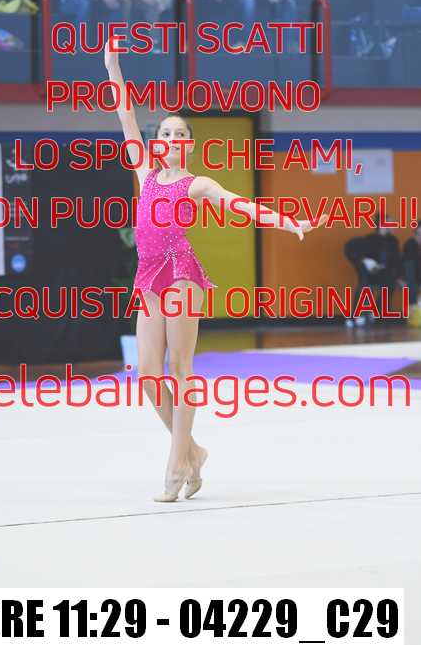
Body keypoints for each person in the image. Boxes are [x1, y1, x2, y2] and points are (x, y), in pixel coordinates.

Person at [104, 36, 328, 503]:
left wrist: (288, 222)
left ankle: (176, 465)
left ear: (188, 145)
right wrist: (112, 67)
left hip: (181, 273)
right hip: (148, 276)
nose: (171, 140)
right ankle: (193, 451)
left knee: (179, 366)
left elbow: (241, 205)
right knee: (148, 371)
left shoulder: (197, 183)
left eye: (179, 135)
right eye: (165, 134)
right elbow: (126, 115)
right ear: (157, 143)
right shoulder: (144, 173)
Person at [344, 214, 404, 327]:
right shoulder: (370, 239)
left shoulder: (393, 241)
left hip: (384, 273)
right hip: (369, 273)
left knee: (390, 284)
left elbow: (397, 261)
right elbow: (351, 250)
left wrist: (399, 277)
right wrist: (365, 261)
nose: (394, 225)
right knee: (365, 285)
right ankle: (356, 316)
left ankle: (376, 313)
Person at [403, 220, 421, 306]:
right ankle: (413, 306)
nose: (420, 237)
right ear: (414, 234)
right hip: (412, 277)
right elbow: (410, 269)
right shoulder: (409, 244)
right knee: (409, 265)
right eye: (418, 234)